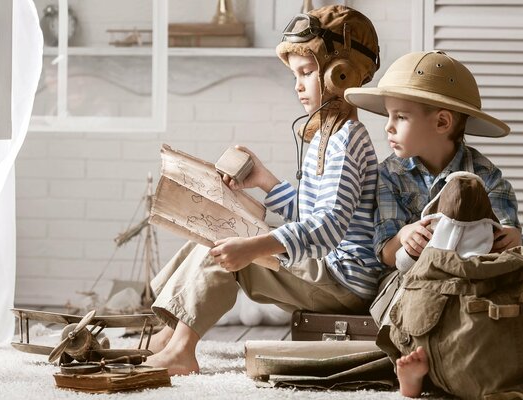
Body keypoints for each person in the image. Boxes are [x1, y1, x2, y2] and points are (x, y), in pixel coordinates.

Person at [144, 5, 382, 375]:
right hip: (328, 270)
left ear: (342, 75)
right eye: (295, 75)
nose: (298, 85)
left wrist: (255, 245)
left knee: (223, 246)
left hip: (342, 282)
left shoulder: (347, 140)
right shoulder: (325, 135)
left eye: (306, 73)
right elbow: (311, 212)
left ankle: (182, 351)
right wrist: (264, 180)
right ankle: (171, 333)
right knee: (209, 235)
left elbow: (327, 227)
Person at [344, 50, 523, 396]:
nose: (388, 126)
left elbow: (508, 238)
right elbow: (385, 253)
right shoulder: (389, 176)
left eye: (400, 116)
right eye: (388, 116)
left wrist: (512, 235)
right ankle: (415, 371)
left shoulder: (486, 176)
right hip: (416, 279)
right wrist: (403, 236)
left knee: (511, 288)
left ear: (442, 123)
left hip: (472, 278)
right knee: (401, 303)